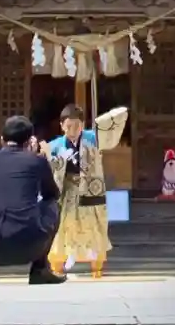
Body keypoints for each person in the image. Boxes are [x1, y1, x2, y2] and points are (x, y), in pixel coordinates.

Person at [0, 116, 63, 286]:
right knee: (52, 205)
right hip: (30, 247)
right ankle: (40, 268)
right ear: (29, 141)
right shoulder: (37, 161)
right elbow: (53, 194)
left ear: (2, 139)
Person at [46, 103, 126, 278]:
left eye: (77, 126)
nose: (72, 130)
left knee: (93, 227)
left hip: (89, 190)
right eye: (68, 126)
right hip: (67, 191)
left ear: (82, 125)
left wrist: (110, 118)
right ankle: (57, 265)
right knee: (62, 228)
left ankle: (96, 266)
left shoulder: (94, 139)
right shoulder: (54, 145)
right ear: (61, 125)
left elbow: (111, 133)